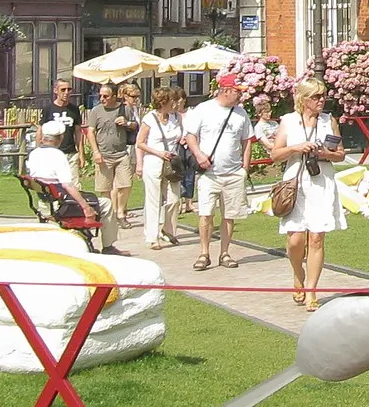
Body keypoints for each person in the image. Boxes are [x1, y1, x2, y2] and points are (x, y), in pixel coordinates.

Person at [270, 77, 346, 309]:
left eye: (323, 96)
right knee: (295, 240)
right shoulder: (289, 122)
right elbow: (275, 154)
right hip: (296, 182)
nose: (321, 100)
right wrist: (296, 147)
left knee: (316, 237)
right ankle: (297, 274)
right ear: (303, 99)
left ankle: (312, 290)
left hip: (321, 182)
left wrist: (325, 153)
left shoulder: (328, 121)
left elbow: (341, 154)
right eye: (316, 97)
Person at [182, 72, 249, 271]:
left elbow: (246, 141)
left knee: (230, 215)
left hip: (233, 172)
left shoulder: (241, 113)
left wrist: (245, 167)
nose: (241, 96)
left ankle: (225, 252)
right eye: (238, 92)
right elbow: (191, 136)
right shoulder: (203, 110)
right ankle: (204, 253)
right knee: (206, 213)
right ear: (226, 91)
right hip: (209, 173)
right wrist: (199, 155)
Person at [24, 125, 118, 251]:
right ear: (60, 138)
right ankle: (108, 246)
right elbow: (67, 185)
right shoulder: (58, 155)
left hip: (44, 202)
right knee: (106, 203)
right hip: (61, 205)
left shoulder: (34, 154)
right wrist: (86, 207)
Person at [82, 81, 138, 231]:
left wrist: (127, 123)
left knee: (126, 184)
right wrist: (95, 152)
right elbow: (90, 132)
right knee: (104, 188)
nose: (102, 99)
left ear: (114, 96)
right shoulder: (96, 111)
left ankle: (120, 213)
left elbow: (135, 126)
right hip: (104, 154)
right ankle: (109, 214)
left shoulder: (124, 109)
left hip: (121, 153)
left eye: (105, 96)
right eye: (100, 96)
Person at [136, 86, 186, 248]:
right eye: (172, 100)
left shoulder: (175, 118)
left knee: (174, 198)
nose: (175, 103)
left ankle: (167, 229)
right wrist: (157, 153)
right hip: (153, 162)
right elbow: (140, 143)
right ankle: (152, 237)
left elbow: (180, 135)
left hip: (172, 163)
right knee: (153, 200)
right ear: (164, 101)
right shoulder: (149, 119)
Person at [36, 79, 79, 147]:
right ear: (56, 91)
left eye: (69, 89)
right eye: (63, 89)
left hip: (70, 151)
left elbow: (78, 132)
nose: (66, 92)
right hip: (52, 151)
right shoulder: (48, 109)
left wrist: (81, 154)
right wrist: (38, 149)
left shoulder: (74, 109)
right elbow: (40, 130)